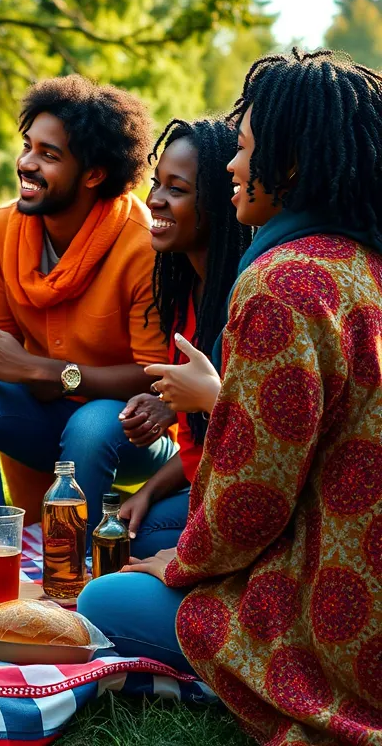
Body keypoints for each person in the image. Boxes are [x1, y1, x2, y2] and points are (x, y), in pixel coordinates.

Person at [78, 48, 382, 745]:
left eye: (243, 151)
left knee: (108, 595)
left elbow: (254, 495)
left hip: (333, 620)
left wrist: (178, 564)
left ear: (293, 165)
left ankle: (256, 684)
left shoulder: (281, 283)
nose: (231, 168)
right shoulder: (365, 265)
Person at [0, 75, 173, 536]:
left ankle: (70, 569)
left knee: (89, 425)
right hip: (41, 419)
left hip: (128, 429)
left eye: (48, 155)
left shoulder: (142, 247)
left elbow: (156, 378)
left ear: (93, 174)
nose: (26, 163)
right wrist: (17, 369)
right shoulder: (4, 229)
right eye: (27, 146)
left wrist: (47, 372)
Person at [115, 119, 251, 556]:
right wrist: (149, 491)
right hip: (200, 489)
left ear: (217, 200)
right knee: (127, 530)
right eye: (156, 183)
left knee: (136, 548)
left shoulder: (245, 299)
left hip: (239, 505)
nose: (154, 200)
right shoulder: (184, 290)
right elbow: (199, 447)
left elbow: (256, 437)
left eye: (176, 189)